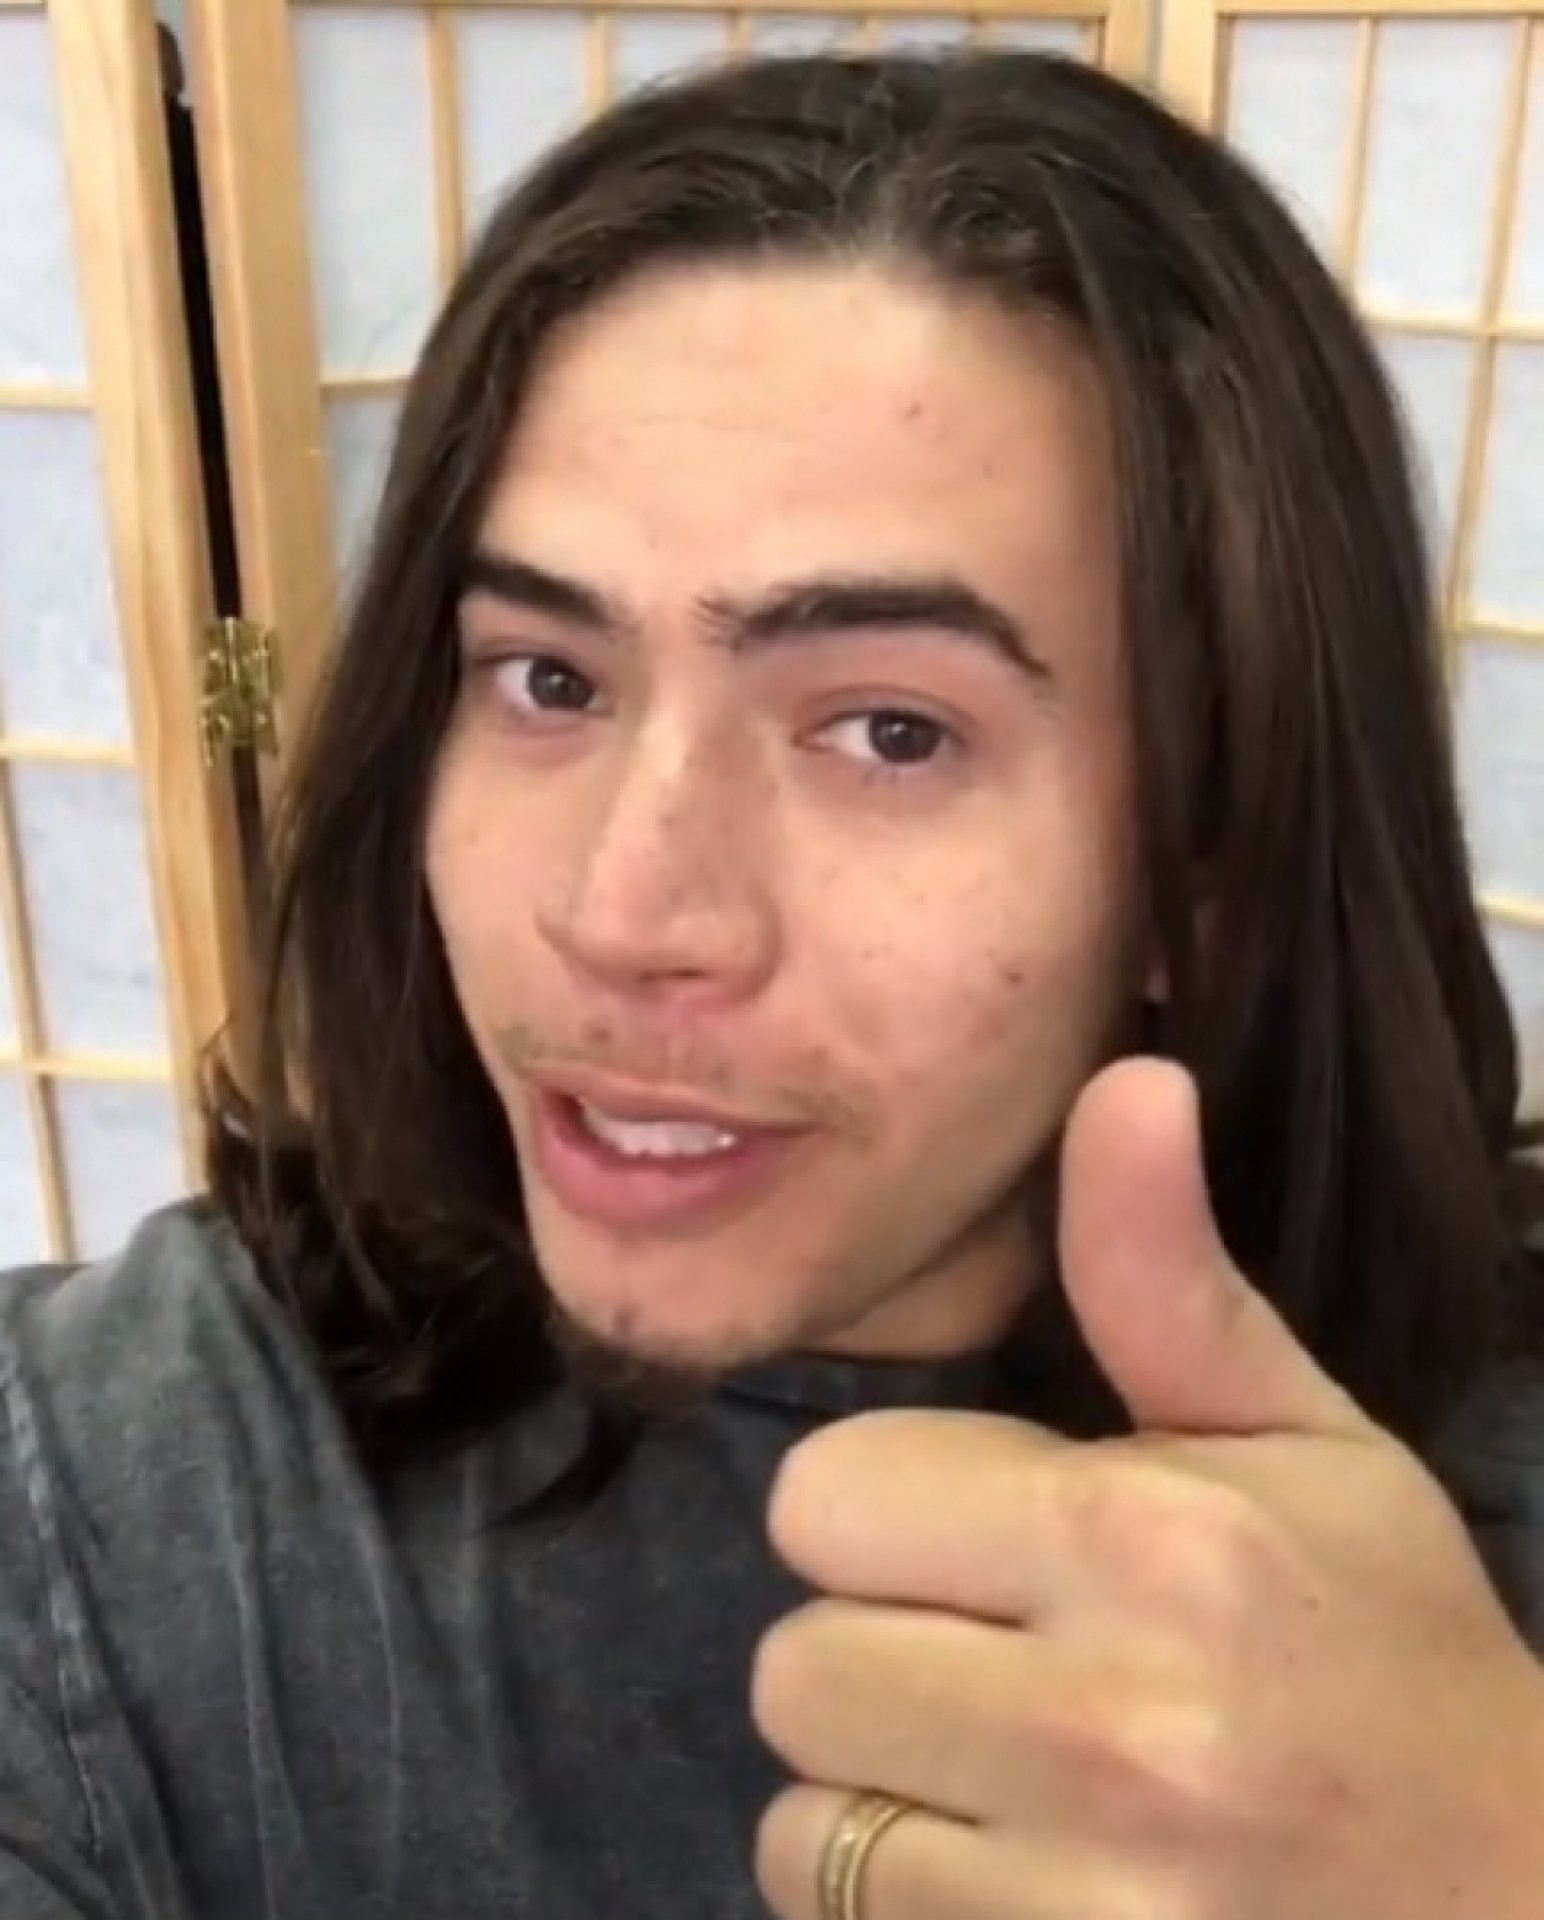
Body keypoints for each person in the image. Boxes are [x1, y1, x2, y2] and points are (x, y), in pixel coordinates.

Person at [2, 44, 1542, 1920]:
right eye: (548, 681)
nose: (623, 911)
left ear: (1206, 875)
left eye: (889, 729)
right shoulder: (117, 1491)